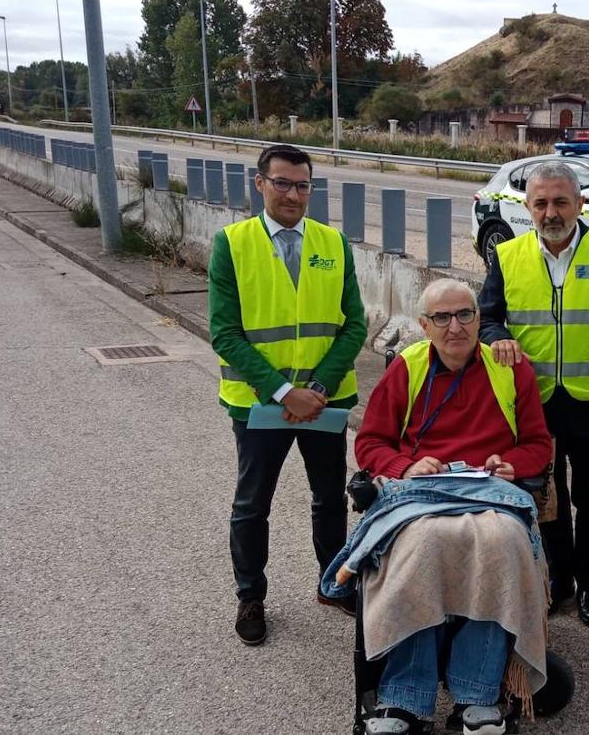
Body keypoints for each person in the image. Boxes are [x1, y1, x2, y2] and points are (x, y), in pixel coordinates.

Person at [329, 278, 554, 735]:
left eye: (465, 314)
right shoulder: (406, 368)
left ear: (478, 318)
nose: (456, 327)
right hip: (421, 493)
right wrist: (405, 466)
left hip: (488, 489)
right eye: (442, 318)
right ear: (424, 325)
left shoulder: (511, 369)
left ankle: (478, 694)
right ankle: (404, 698)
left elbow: (538, 444)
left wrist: (509, 464)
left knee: (503, 541)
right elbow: (370, 442)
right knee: (423, 544)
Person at [208, 143, 367, 646]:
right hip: (260, 405)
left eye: (302, 185)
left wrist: (316, 389)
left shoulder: (333, 243)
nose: (293, 194)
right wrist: (283, 391)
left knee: (329, 499)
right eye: (282, 183)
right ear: (260, 184)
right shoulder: (231, 244)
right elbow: (225, 333)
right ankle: (250, 595)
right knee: (252, 504)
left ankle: (334, 583)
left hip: (324, 403)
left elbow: (355, 324)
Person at [479, 160, 589, 627]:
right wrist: (495, 336)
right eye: (541, 203)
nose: (551, 212)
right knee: (547, 499)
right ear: (528, 207)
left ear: (580, 204)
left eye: (561, 201)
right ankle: (557, 582)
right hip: (534, 405)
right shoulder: (507, 257)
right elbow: (487, 317)